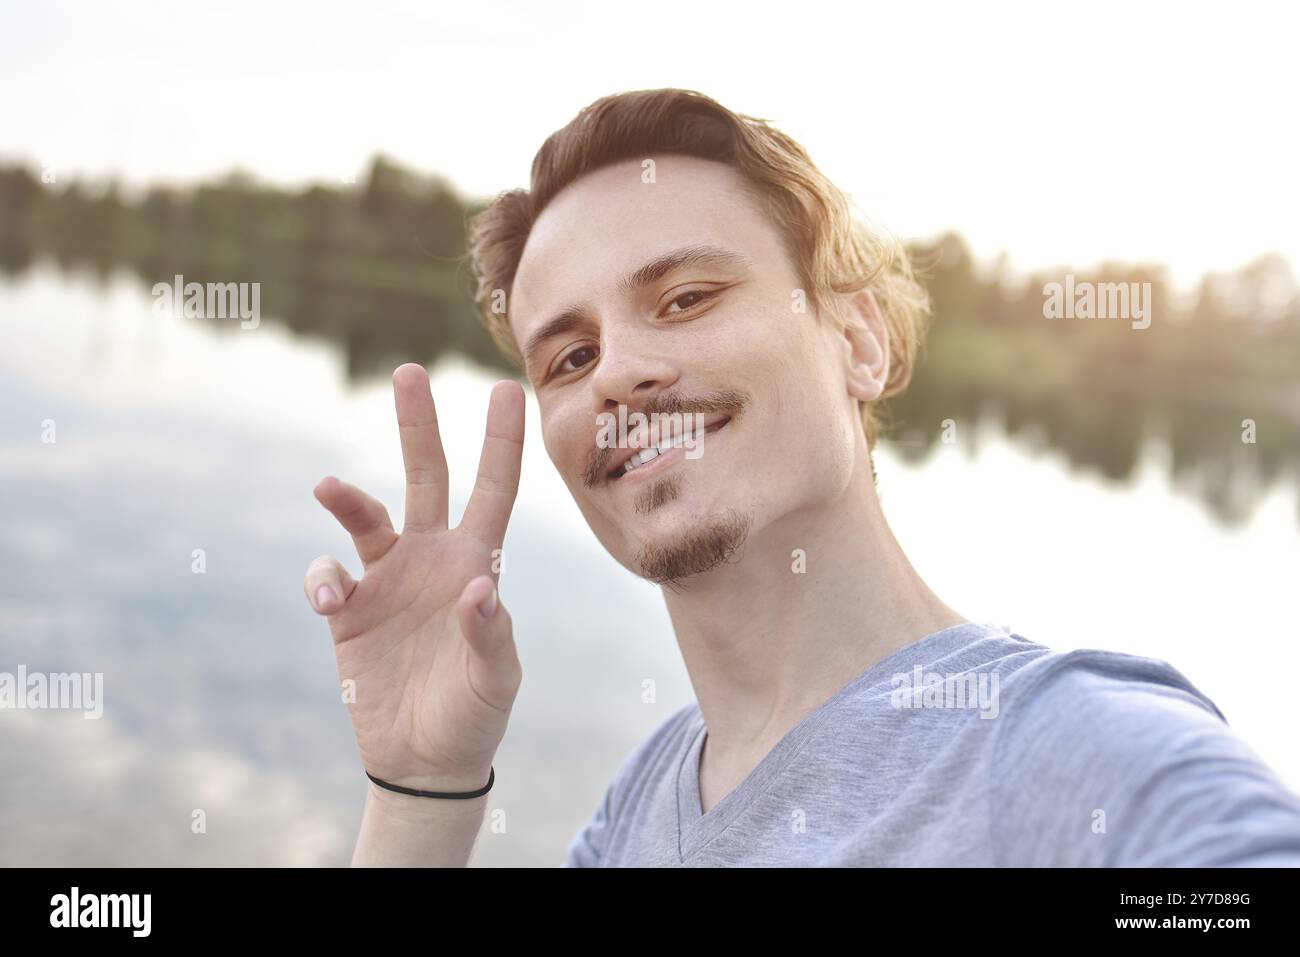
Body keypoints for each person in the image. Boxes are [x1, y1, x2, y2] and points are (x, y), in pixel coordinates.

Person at [303, 88, 1300, 866]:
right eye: (568, 357)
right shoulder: (639, 810)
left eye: (686, 297)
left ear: (858, 340)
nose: (615, 372)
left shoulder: (1072, 753)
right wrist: (420, 790)